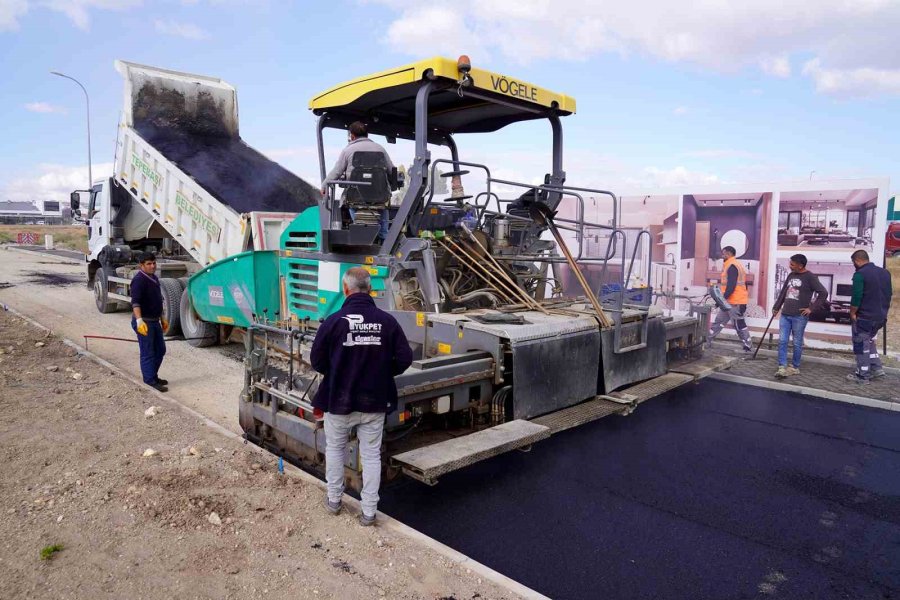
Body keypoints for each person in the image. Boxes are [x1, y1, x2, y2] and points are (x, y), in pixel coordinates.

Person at [310, 267, 413, 526]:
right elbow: (404, 358)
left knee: (335, 449)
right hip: (375, 401)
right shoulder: (387, 322)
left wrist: (337, 373)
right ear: (369, 289)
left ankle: (334, 500)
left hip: (339, 401)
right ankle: (368, 512)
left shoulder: (333, 322)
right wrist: (381, 372)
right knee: (370, 455)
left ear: (346, 289)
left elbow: (316, 360)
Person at [322, 121, 395, 241]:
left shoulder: (348, 150)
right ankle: (384, 236)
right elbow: (392, 170)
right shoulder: (381, 149)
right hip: (379, 196)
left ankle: (359, 227)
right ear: (367, 135)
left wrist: (325, 185)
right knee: (384, 204)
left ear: (352, 136)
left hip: (356, 196)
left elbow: (337, 171)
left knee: (350, 200)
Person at [771, 254, 828, 378]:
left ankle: (795, 367)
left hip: (799, 316)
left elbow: (823, 293)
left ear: (800, 265)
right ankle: (782, 366)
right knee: (782, 341)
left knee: (797, 342)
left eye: (792, 264)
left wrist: (811, 308)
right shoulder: (791, 275)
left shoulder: (810, 277)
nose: (790, 266)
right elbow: (783, 292)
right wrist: (776, 307)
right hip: (785, 314)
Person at [847, 249, 892, 383]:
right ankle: (877, 369)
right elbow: (889, 294)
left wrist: (852, 312)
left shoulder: (860, 275)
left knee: (861, 345)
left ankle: (863, 375)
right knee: (869, 341)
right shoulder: (885, 273)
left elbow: (856, 297)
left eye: (853, 262)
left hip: (865, 317)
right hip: (880, 317)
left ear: (857, 261)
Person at [130, 252, 169, 391]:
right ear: (141, 266)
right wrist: (139, 320)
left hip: (154, 321)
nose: (152, 266)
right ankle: (150, 381)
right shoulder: (139, 280)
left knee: (160, 349)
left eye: (154, 263)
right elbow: (135, 303)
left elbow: (158, 299)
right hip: (144, 322)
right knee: (148, 352)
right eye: (149, 264)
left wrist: (162, 317)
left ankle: (153, 375)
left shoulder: (154, 278)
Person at [709, 245, 753, 352]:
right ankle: (707, 340)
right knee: (718, 322)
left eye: (723, 253)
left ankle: (748, 346)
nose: (722, 255)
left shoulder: (732, 266)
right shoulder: (733, 264)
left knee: (739, 325)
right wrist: (722, 301)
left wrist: (721, 300)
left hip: (735, 302)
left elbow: (731, 286)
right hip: (729, 302)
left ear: (728, 254)